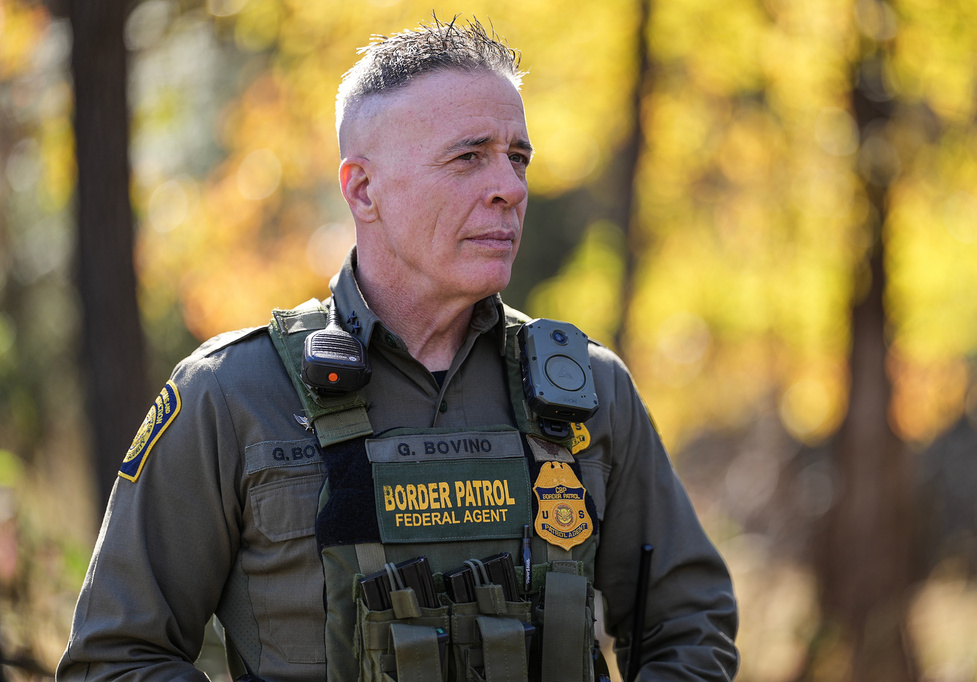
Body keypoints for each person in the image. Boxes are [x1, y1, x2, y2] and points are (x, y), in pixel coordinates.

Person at [57, 17, 739, 682]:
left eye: (517, 156)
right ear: (363, 188)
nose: (510, 187)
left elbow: (688, 626)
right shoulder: (232, 393)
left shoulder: (585, 389)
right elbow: (116, 658)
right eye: (470, 156)